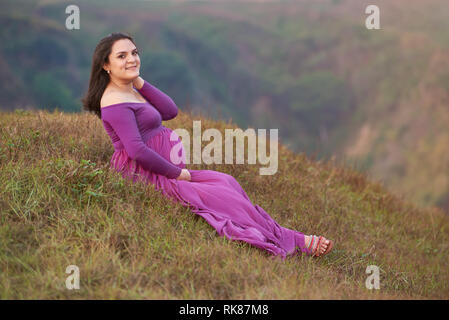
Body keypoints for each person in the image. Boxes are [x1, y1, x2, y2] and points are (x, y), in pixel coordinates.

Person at [81, 32, 333, 260]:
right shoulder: (114, 101)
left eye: (134, 53)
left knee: (226, 182)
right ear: (106, 65)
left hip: (165, 169)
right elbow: (136, 150)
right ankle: (294, 241)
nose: (131, 59)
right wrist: (177, 173)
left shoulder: (129, 89)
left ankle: (285, 235)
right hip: (147, 175)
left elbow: (169, 111)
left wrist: (139, 82)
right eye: (122, 56)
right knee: (221, 197)